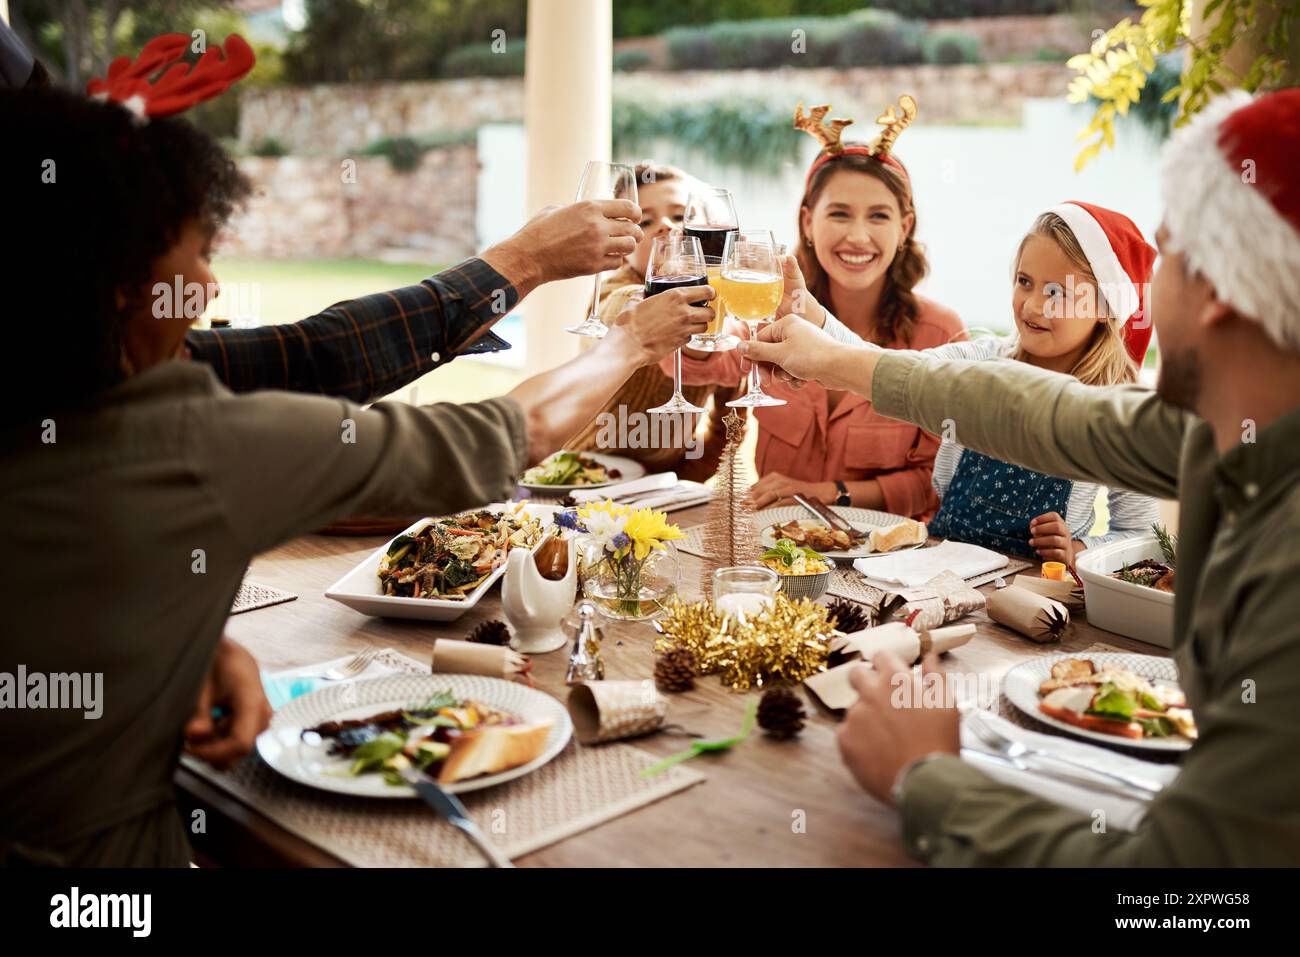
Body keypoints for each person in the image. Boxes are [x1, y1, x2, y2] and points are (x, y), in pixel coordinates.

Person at [0, 51, 713, 866]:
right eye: (194, 253)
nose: (209, 284)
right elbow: (513, 433)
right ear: (124, 286)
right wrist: (632, 339)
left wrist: (188, 645)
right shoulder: (190, 442)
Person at [741, 88, 1300, 865]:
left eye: (1167, 257)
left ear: (1213, 293)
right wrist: (832, 353)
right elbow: (1032, 410)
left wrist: (924, 776)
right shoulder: (1215, 436)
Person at [818, 202, 1161, 566]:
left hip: (1034, 597)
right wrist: (812, 316)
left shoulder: (1116, 411)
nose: (1031, 306)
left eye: (1057, 293)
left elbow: (1142, 534)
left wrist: (1080, 550)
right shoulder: (981, 362)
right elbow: (886, 367)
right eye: (1025, 282)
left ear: (1105, 307)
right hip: (937, 573)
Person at [671, 100, 967, 518]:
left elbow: (935, 484)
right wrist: (692, 323)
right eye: (839, 214)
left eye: (878, 216)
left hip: (887, 558)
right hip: (780, 549)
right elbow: (703, 363)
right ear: (808, 222)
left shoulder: (940, 334)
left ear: (905, 227)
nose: (858, 236)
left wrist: (826, 492)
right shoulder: (769, 310)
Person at [562, 162, 740, 479]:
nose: (667, 227)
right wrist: (652, 297)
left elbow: (729, 423)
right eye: (646, 220)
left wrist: (686, 477)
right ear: (623, 243)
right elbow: (616, 312)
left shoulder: (722, 307)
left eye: (681, 216)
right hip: (581, 474)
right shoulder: (616, 291)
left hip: (660, 487)